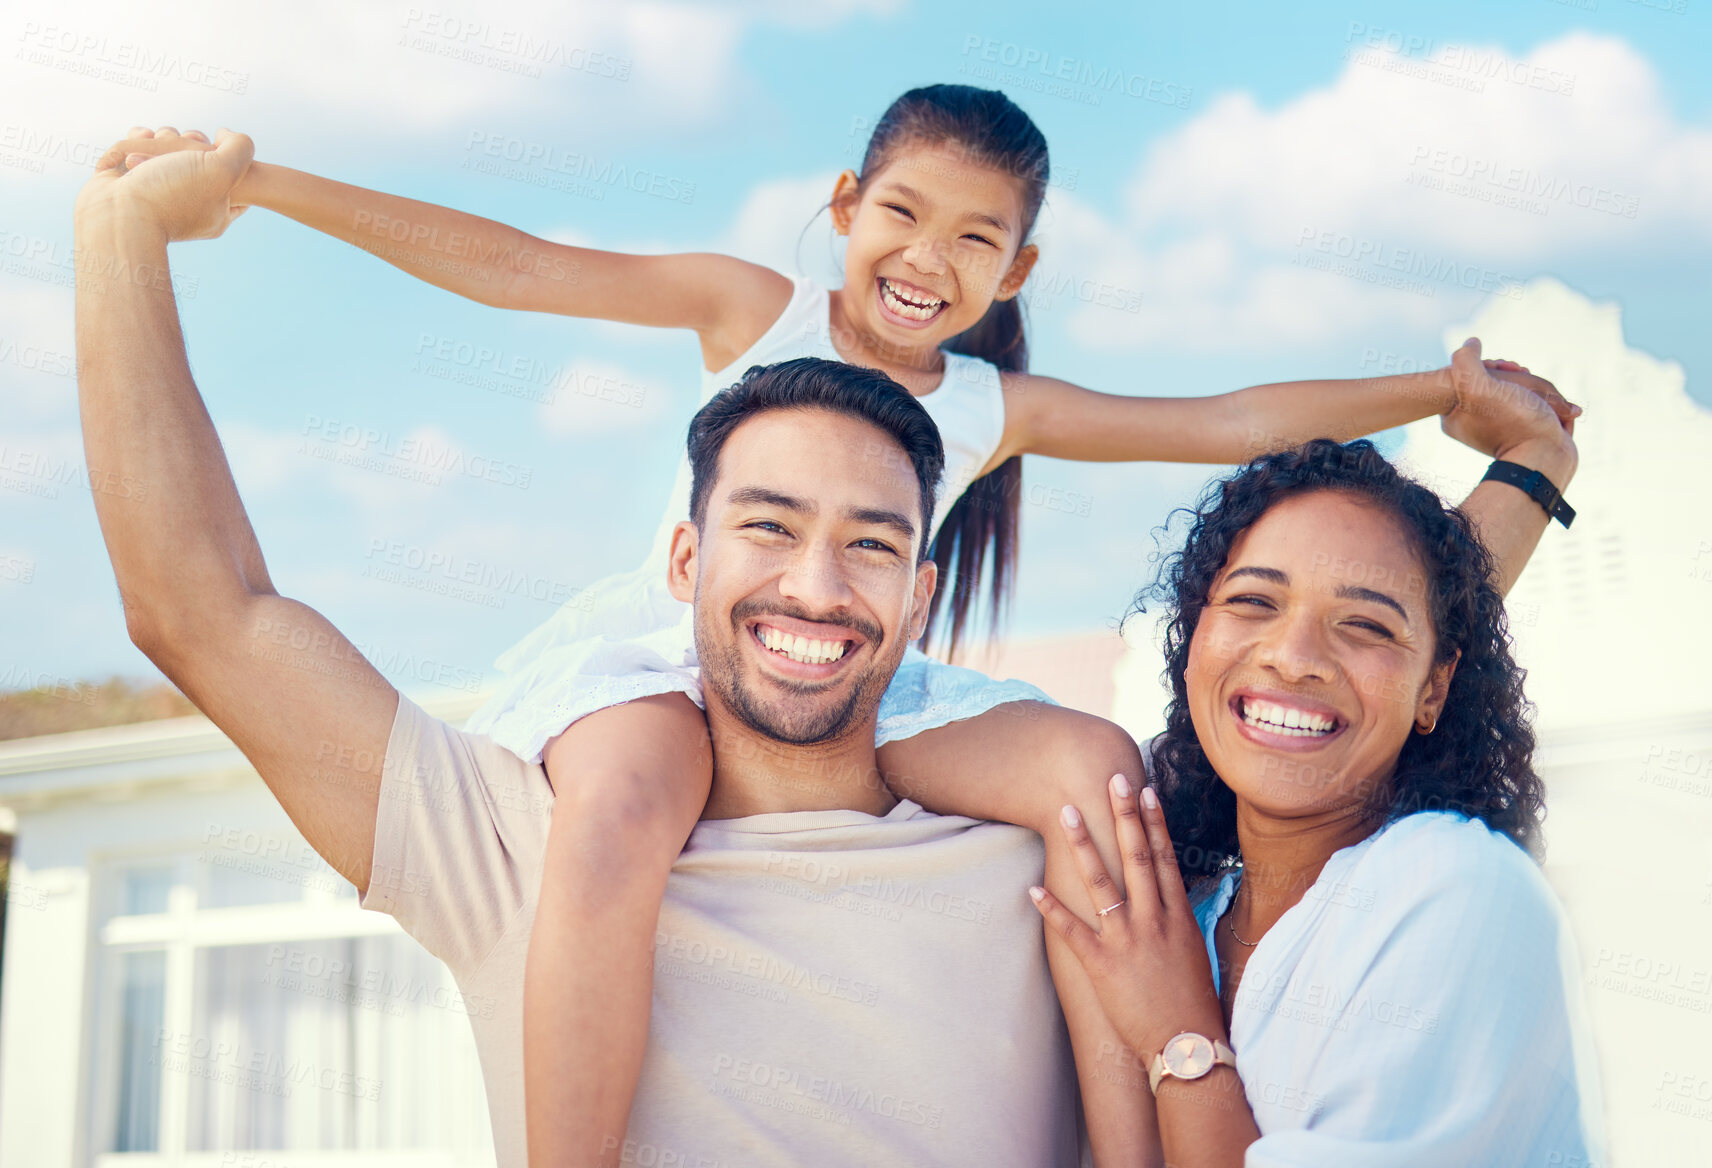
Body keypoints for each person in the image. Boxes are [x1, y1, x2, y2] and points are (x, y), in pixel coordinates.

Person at [110, 85, 1579, 1164]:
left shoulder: (994, 409)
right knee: (620, 804)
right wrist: (262, 190)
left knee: (1092, 783)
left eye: (977, 238)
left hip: (890, 692)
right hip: (654, 663)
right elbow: (518, 265)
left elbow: (1238, 447)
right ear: (841, 206)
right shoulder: (751, 307)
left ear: (1021, 270)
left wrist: (1443, 403)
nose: (928, 259)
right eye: (901, 213)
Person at [1029, 437, 1604, 1166]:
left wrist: (1179, 1031)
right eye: (1253, 601)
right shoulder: (1186, 912)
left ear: (1434, 687)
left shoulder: (1453, 885)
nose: (1293, 656)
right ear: (1193, 639)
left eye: (1365, 625)